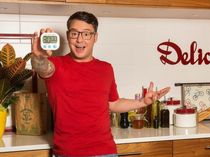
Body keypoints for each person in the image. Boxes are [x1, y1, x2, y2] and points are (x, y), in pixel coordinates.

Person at [31, 11, 170, 157]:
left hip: (105, 151)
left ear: (95, 37)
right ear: (67, 36)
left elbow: (113, 103)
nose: (79, 40)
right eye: (74, 33)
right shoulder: (55, 65)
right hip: (68, 152)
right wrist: (39, 56)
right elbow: (42, 68)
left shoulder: (106, 68)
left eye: (86, 34)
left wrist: (143, 101)